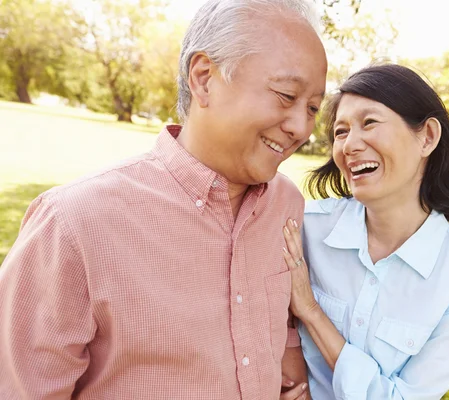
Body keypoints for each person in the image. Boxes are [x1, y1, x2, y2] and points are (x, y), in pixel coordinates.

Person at [0, 0, 326, 398]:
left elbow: (278, 324)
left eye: (312, 108)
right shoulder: (73, 223)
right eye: (285, 95)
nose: (300, 127)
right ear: (204, 78)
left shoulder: (287, 204)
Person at [281, 64, 449, 399]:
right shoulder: (304, 226)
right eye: (340, 132)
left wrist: (310, 311)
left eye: (369, 123)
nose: (350, 145)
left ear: (427, 136)